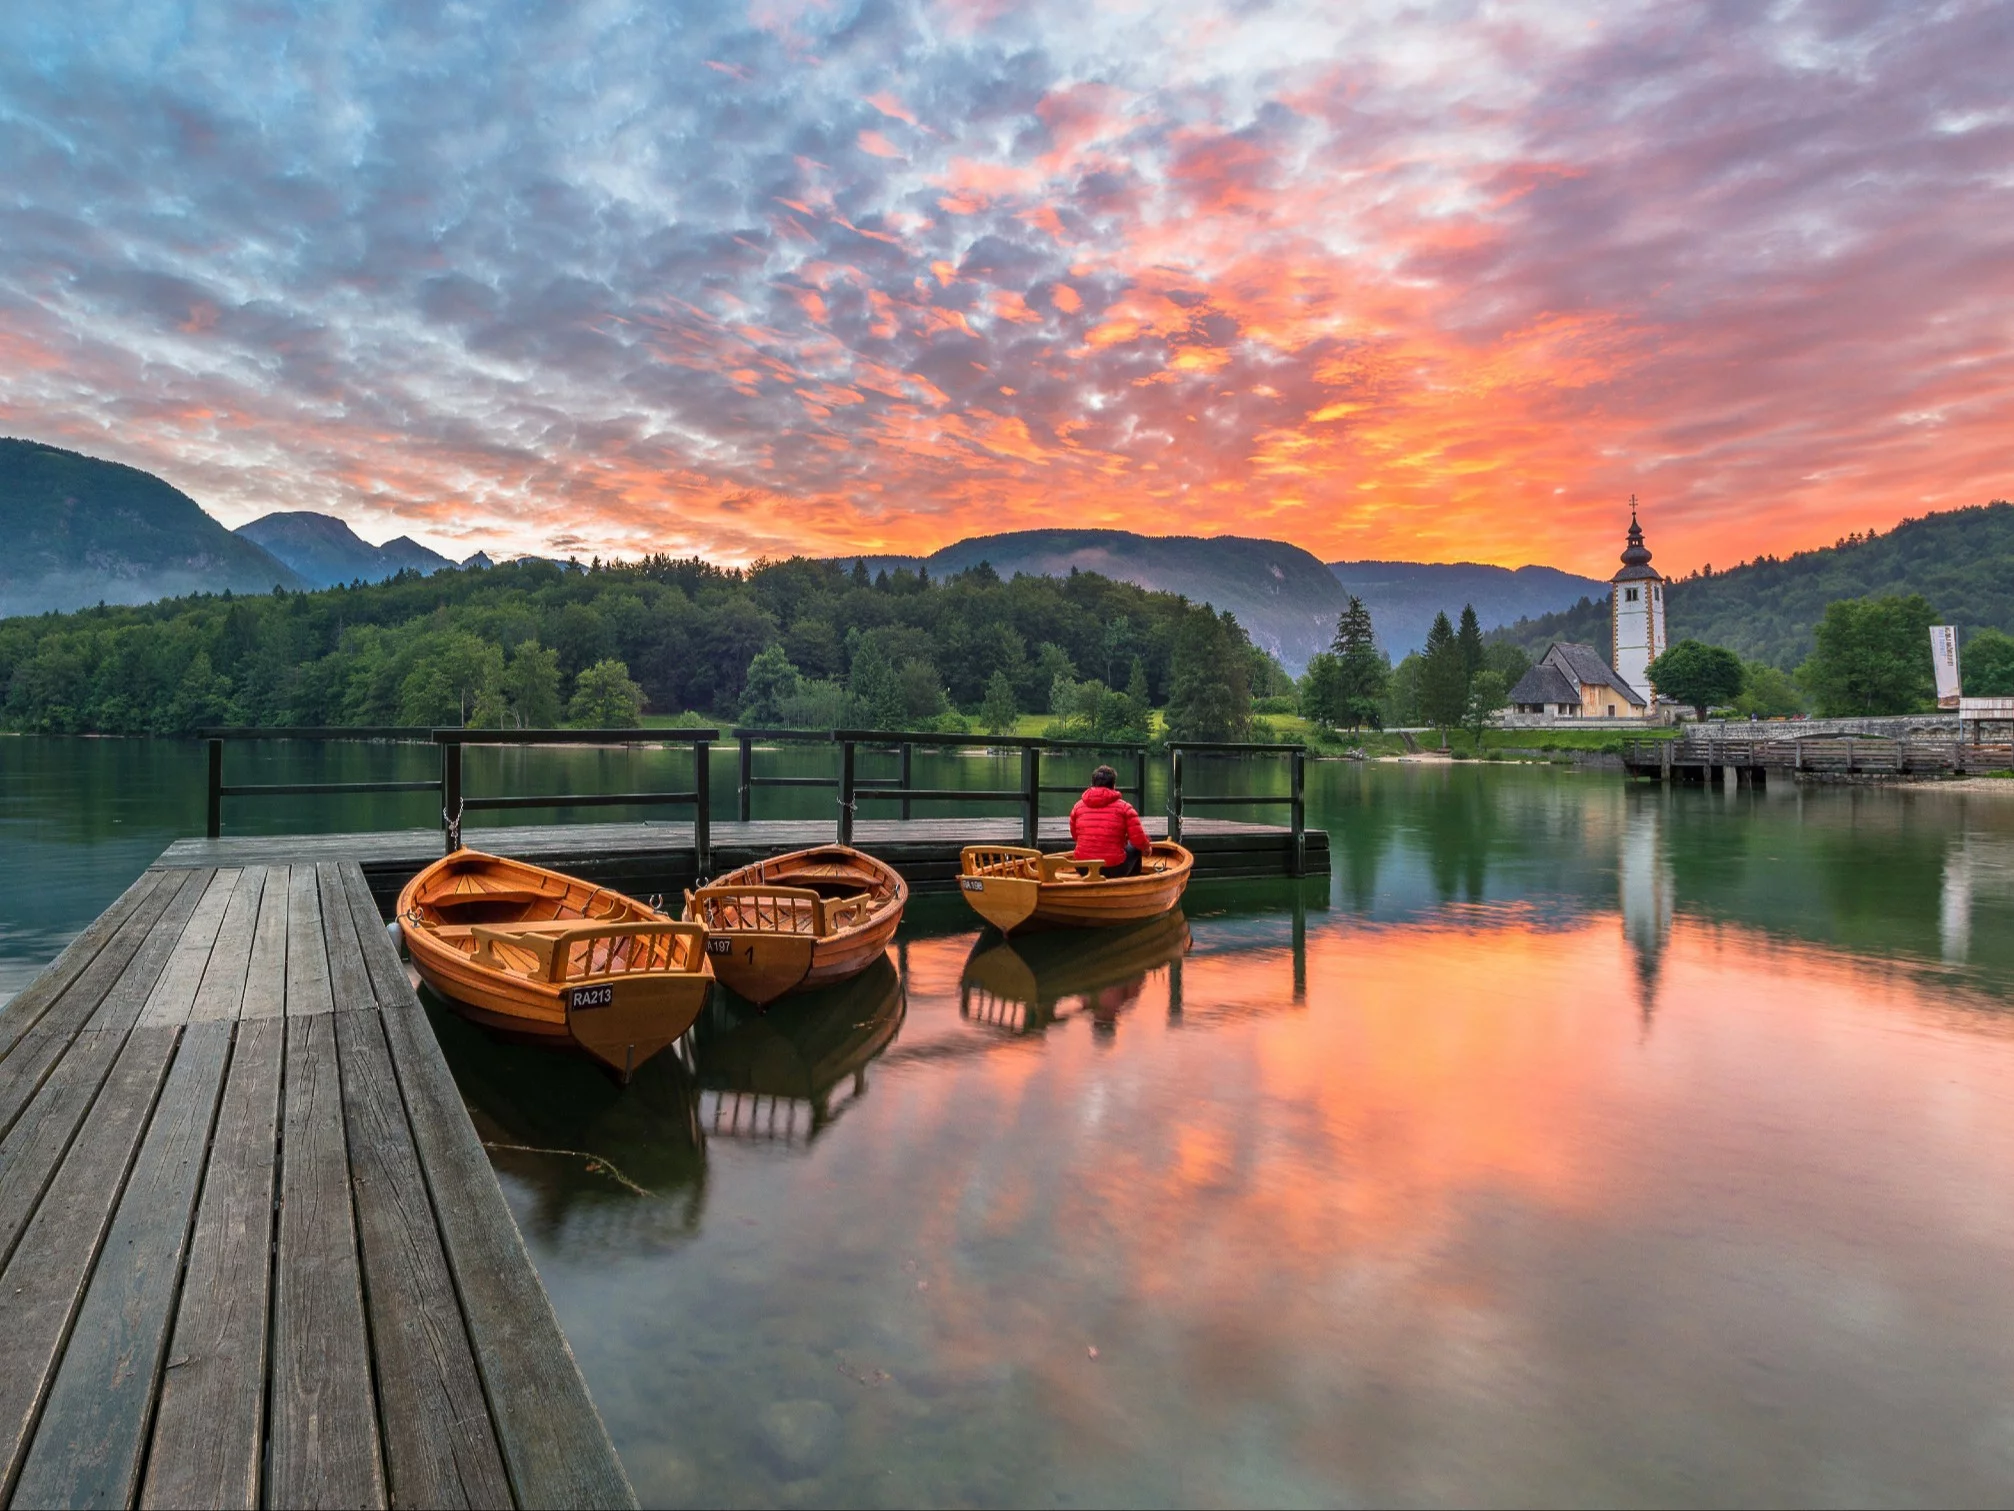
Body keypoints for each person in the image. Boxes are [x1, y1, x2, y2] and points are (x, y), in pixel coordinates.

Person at [1069, 765, 1150, 878]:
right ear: (1114, 785)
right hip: (1114, 869)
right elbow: (1139, 840)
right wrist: (1147, 849)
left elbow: (1075, 836)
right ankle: (1132, 882)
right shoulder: (1125, 808)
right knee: (1135, 847)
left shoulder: (1077, 807)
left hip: (1082, 867)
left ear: (1092, 784)